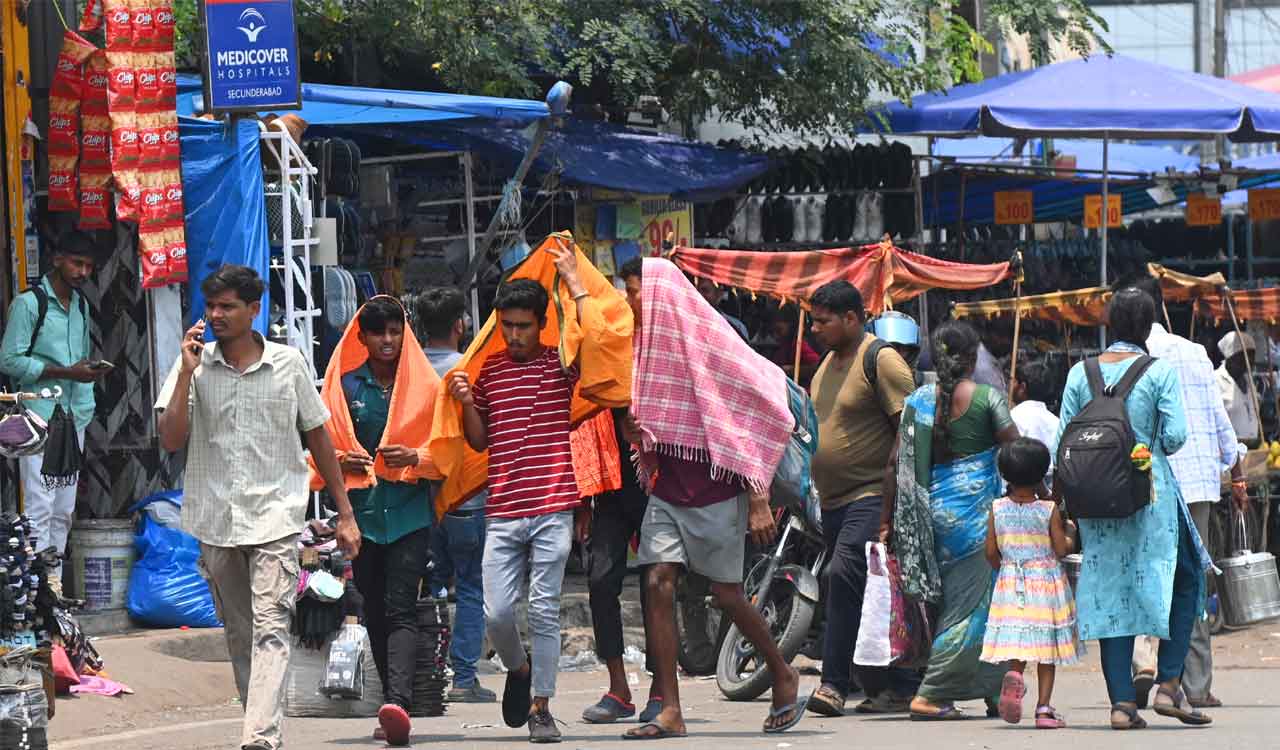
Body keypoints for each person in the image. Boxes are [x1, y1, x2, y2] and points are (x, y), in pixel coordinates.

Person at [155, 264, 360, 750]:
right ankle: (261, 728)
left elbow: (318, 437)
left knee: (271, 629)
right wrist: (186, 375)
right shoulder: (194, 363)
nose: (217, 315)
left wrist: (345, 511)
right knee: (241, 636)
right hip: (215, 521)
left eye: (228, 306)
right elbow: (170, 438)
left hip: (275, 519)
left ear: (253, 310)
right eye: (212, 306)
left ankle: (260, 737)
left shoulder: (288, 364)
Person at [622, 257, 809, 739]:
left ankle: (782, 674)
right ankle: (670, 708)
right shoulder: (642, 348)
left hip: (717, 490)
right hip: (667, 489)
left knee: (726, 595)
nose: (630, 301)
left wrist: (758, 495)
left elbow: (758, 410)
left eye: (636, 291)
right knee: (657, 582)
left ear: (662, 295)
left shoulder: (713, 340)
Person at [447, 246, 593, 743]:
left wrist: (575, 283)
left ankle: (541, 707)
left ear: (542, 324)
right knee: (498, 614)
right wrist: (467, 404)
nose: (513, 335)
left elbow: (595, 345)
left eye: (523, 326)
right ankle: (519, 667)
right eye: (506, 325)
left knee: (545, 607)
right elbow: (479, 440)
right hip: (504, 508)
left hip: (554, 504)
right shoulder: (489, 370)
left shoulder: (561, 366)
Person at [1057, 286, 1212, 730]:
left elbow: (1060, 443)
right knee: (1186, 579)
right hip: (1150, 496)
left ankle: (1122, 704)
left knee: (1111, 591)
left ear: (1109, 324)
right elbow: (1177, 437)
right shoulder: (1158, 371)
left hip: (1094, 500)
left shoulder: (1078, 373)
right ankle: (1168, 684)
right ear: (1147, 328)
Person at [313, 296, 441, 746]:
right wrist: (341, 459)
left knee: (402, 607)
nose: (387, 340)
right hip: (360, 518)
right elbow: (319, 446)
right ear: (361, 338)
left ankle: (400, 704)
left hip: (409, 513)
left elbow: (446, 449)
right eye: (378, 332)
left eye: (394, 331)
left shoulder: (426, 388)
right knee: (372, 612)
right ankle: (392, 704)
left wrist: (417, 457)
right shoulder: (345, 388)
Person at [882, 320, 1021, 721]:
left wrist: (886, 522)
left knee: (981, 603)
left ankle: (992, 688)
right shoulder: (987, 399)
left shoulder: (918, 402)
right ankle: (932, 692)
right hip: (977, 520)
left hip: (932, 518)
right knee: (968, 609)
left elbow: (893, 464)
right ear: (974, 357)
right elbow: (1016, 451)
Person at [1127, 277, 1246, 711]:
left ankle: (1143, 659)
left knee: (1146, 570)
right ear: (1160, 307)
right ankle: (1194, 685)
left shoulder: (1124, 360)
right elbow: (1219, 421)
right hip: (1195, 484)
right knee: (1191, 581)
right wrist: (1236, 472)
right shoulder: (1194, 353)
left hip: (1144, 483)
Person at [805, 281, 918, 717]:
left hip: (871, 494)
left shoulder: (881, 360)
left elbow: (909, 432)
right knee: (869, 593)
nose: (815, 329)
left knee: (841, 573)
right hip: (831, 501)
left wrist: (895, 505)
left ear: (851, 318)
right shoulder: (826, 365)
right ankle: (891, 684)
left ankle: (833, 684)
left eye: (823, 320)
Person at [0, 231, 108, 590]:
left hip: (72, 417)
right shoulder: (30, 304)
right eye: (77, 263)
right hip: (38, 416)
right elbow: (10, 360)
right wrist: (66, 372)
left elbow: (76, 361)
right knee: (39, 506)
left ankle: (54, 588)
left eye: (89, 266)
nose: (83, 272)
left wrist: (88, 372)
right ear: (58, 258)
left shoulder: (80, 305)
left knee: (63, 509)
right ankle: (34, 592)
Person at [581, 258, 662, 725]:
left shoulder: (667, 345)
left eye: (636, 290)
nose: (631, 300)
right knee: (599, 581)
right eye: (627, 290)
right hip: (611, 482)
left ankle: (659, 687)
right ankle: (618, 688)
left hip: (657, 484)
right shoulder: (612, 342)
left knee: (657, 586)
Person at [418, 288, 496, 704]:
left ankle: (427, 673)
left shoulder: (409, 373)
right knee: (469, 586)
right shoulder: (470, 369)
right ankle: (463, 678)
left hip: (423, 498)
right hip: (466, 498)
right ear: (459, 326)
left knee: (429, 587)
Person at [981, 437, 1078, 729]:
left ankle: (1015, 676)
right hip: (1045, 584)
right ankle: (1044, 709)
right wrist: (1071, 533)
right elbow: (1061, 549)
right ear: (1040, 475)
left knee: (1019, 642)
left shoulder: (997, 508)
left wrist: (1007, 570)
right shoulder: (1047, 510)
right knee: (1046, 649)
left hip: (1012, 581)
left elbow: (990, 552)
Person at [1009, 358, 1059, 487]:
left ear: (1022, 387)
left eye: (1014, 382)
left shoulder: (1013, 417)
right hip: (1051, 487)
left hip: (1020, 487)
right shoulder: (1056, 422)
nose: (1011, 386)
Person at [1217, 331, 1260, 447]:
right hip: (1228, 450)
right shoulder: (1216, 381)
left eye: (1252, 355)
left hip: (1253, 449)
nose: (1249, 361)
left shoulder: (1250, 381)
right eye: (1244, 355)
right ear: (1230, 356)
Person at [768, 305, 821, 387]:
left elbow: (816, 367)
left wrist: (790, 369)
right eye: (773, 332)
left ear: (791, 325)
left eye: (779, 331)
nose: (775, 336)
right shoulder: (783, 345)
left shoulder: (799, 345)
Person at [695, 276, 749, 340]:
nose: (699, 294)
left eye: (705, 290)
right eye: (697, 291)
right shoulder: (688, 319)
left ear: (719, 294)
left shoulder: (736, 327)